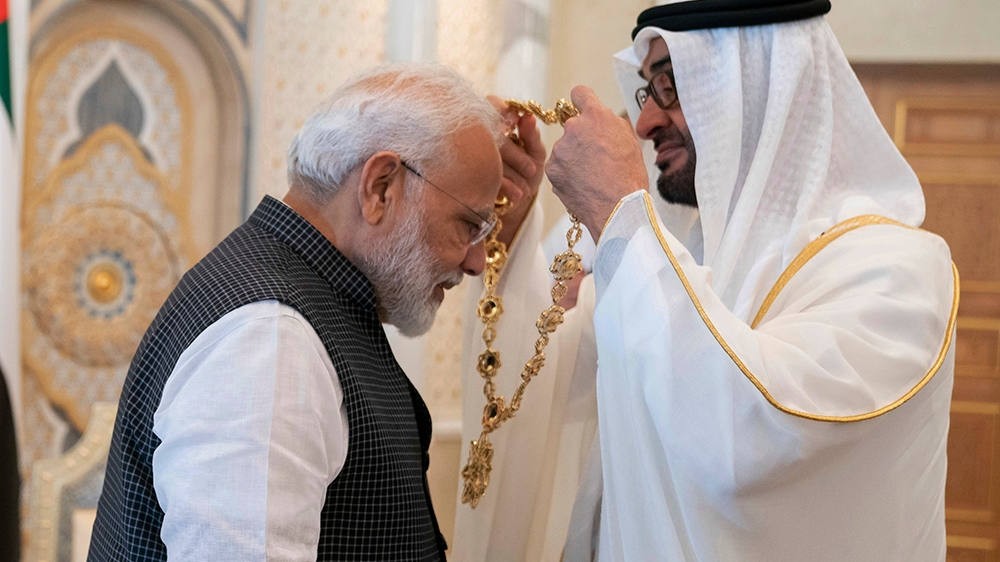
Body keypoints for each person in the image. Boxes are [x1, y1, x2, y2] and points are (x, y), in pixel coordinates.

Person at [454, 1, 958, 560]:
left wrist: (621, 212)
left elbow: (749, 441)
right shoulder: (690, 255)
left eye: (671, 84)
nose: (643, 123)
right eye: (648, 90)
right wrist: (515, 227)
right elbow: (549, 374)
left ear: (763, 88)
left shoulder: (899, 271)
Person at [88, 63, 504, 561]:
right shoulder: (269, 338)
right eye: (469, 224)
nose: (477, 261)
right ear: (381, 187)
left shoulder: (296, 304)